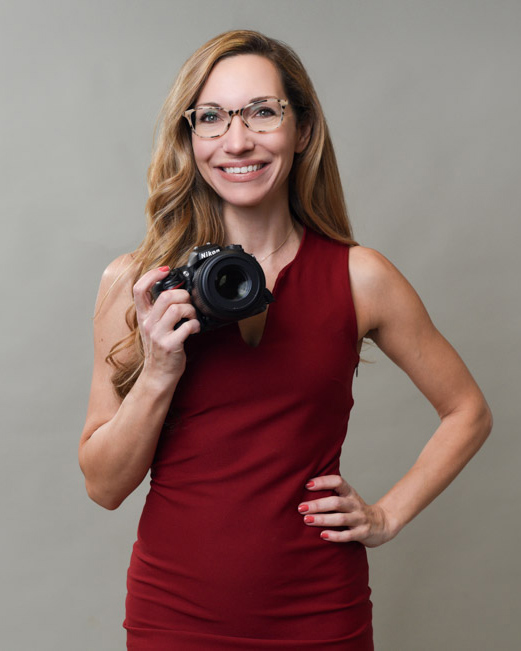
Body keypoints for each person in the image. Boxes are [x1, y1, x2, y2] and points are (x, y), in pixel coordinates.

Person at [79, 30, 492, 650]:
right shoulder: (136, 283)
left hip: (320, 613)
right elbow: (104, 487)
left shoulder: (362, 278)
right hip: (174, 615)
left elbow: (468, 412)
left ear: (302, 130)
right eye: (211, 117)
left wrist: (386, 515)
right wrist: (160, 370)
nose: (236, 140)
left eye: (262, 112)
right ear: (190, 138)